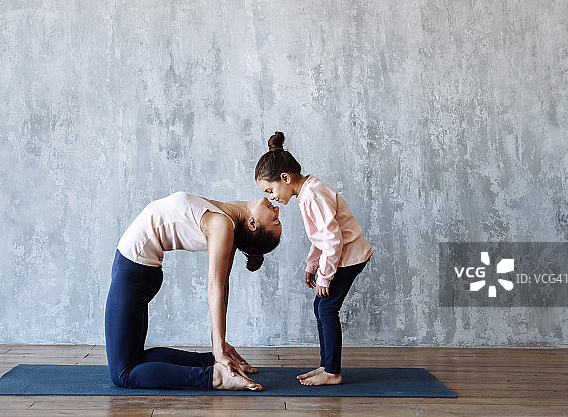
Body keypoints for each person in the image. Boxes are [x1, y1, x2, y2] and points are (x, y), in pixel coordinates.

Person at [105, 191, 281, 390]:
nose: (276, 209)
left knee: (123, 374)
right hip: (137, 271)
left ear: (253, 224)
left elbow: (217, 287)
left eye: (275, 219)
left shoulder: (222, 226)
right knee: (137, 359)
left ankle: (215, 377)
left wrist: (219, 346)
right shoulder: (227, 219)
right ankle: (210, 363)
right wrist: (218, 349)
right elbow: (222, 287)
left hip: (133, 271)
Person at [255, 132, 373, 386]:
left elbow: (333, 240)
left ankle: (332, 372)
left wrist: (324, 275)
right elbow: (321, 237)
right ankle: (327, 365)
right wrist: (312, 265)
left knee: (327, 308)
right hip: (341, 255)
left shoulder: (313, 195)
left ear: (285, 178)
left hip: (349, 256)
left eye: (271, 190)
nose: (272, 197)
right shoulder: (308, 192)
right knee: (321, 307)